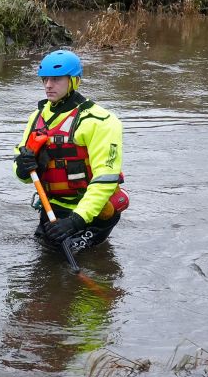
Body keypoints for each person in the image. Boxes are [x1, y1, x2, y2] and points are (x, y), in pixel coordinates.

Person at [13, 50, 129, 254]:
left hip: (93, 213)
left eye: (56, 79)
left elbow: (105, 179)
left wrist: (75, 221)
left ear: (74, 81)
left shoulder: (101, 121)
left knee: (81, 262)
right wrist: (23, 168)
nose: (48, 85)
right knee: (45, 259)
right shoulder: (37, 118)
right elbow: (22, 175)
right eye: (45, 79)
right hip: (52, 209)